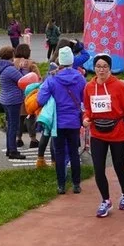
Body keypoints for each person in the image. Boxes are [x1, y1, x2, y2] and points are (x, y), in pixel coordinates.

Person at [83, 54, 124, 218]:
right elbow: (87, 108)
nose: (101, 70)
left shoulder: (119, 87)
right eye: (98, 66)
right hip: (97, 133)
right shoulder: (89, 87)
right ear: (94, 68)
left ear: (110, 68)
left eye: (105, 66)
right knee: (98, 169)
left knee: (118, 166)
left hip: (117, 132)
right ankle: (105, 200)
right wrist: (86, 118)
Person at [38, 47, 87, 195]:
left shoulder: (52, 79)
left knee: (59, 153)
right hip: (74, 122)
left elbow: (41, 99)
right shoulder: (80, 78)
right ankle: (76, 184)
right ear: (72, 61)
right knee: (74, 152)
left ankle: (61, 185)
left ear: (59, 61)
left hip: (58, 123)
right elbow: (85, 99)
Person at [0, 45, 26, 159]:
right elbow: (23, 80)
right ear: (11, 56)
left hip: (5, 100)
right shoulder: (10, 69)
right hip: (13, 101)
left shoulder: (1, 67)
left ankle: (9, 149)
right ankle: (13, 151)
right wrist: (22, 69)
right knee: (14, 126)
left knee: (10, 126)